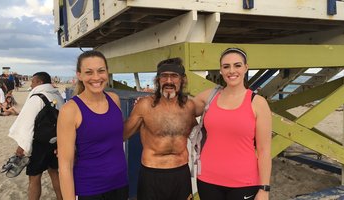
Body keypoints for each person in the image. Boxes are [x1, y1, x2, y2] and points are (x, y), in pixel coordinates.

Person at [192, 48, 272, 200]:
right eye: (226, 66)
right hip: (207, 179)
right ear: (221, 70)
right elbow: (180, 110)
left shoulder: (257, 103)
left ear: (246, 68)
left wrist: (264, 189)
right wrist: (151, 101)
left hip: (244, 183)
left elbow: (264, 150)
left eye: (237, 65)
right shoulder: (209, 96)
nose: (232, 71)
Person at [57, 50, 129, 200]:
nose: (96, 77)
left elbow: (115, 137)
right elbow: (65, 165)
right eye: (89, 72)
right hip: (90, 189)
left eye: (101, 71)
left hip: (120, 183)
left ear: (107, 73)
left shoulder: (114, 99)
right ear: (79, 75)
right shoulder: (70, 110)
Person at [124, 58, 196, 200]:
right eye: (164, 76)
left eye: (174, 76)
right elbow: (122, 134)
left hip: (181, 174)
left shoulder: (190, 107)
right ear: (158, 80)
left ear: (182, 80)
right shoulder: (144, 105)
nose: (169, 81)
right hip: (152, 175)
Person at [8, 72, 64, 200]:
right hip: (56, 143)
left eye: (33, 82)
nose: (31, 85)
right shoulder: (57, 95)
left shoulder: (37, 97)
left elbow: (27, 123)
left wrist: (22, 146)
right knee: (54, 173)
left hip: (39, 144)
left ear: (39, 82)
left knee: (34, 177)